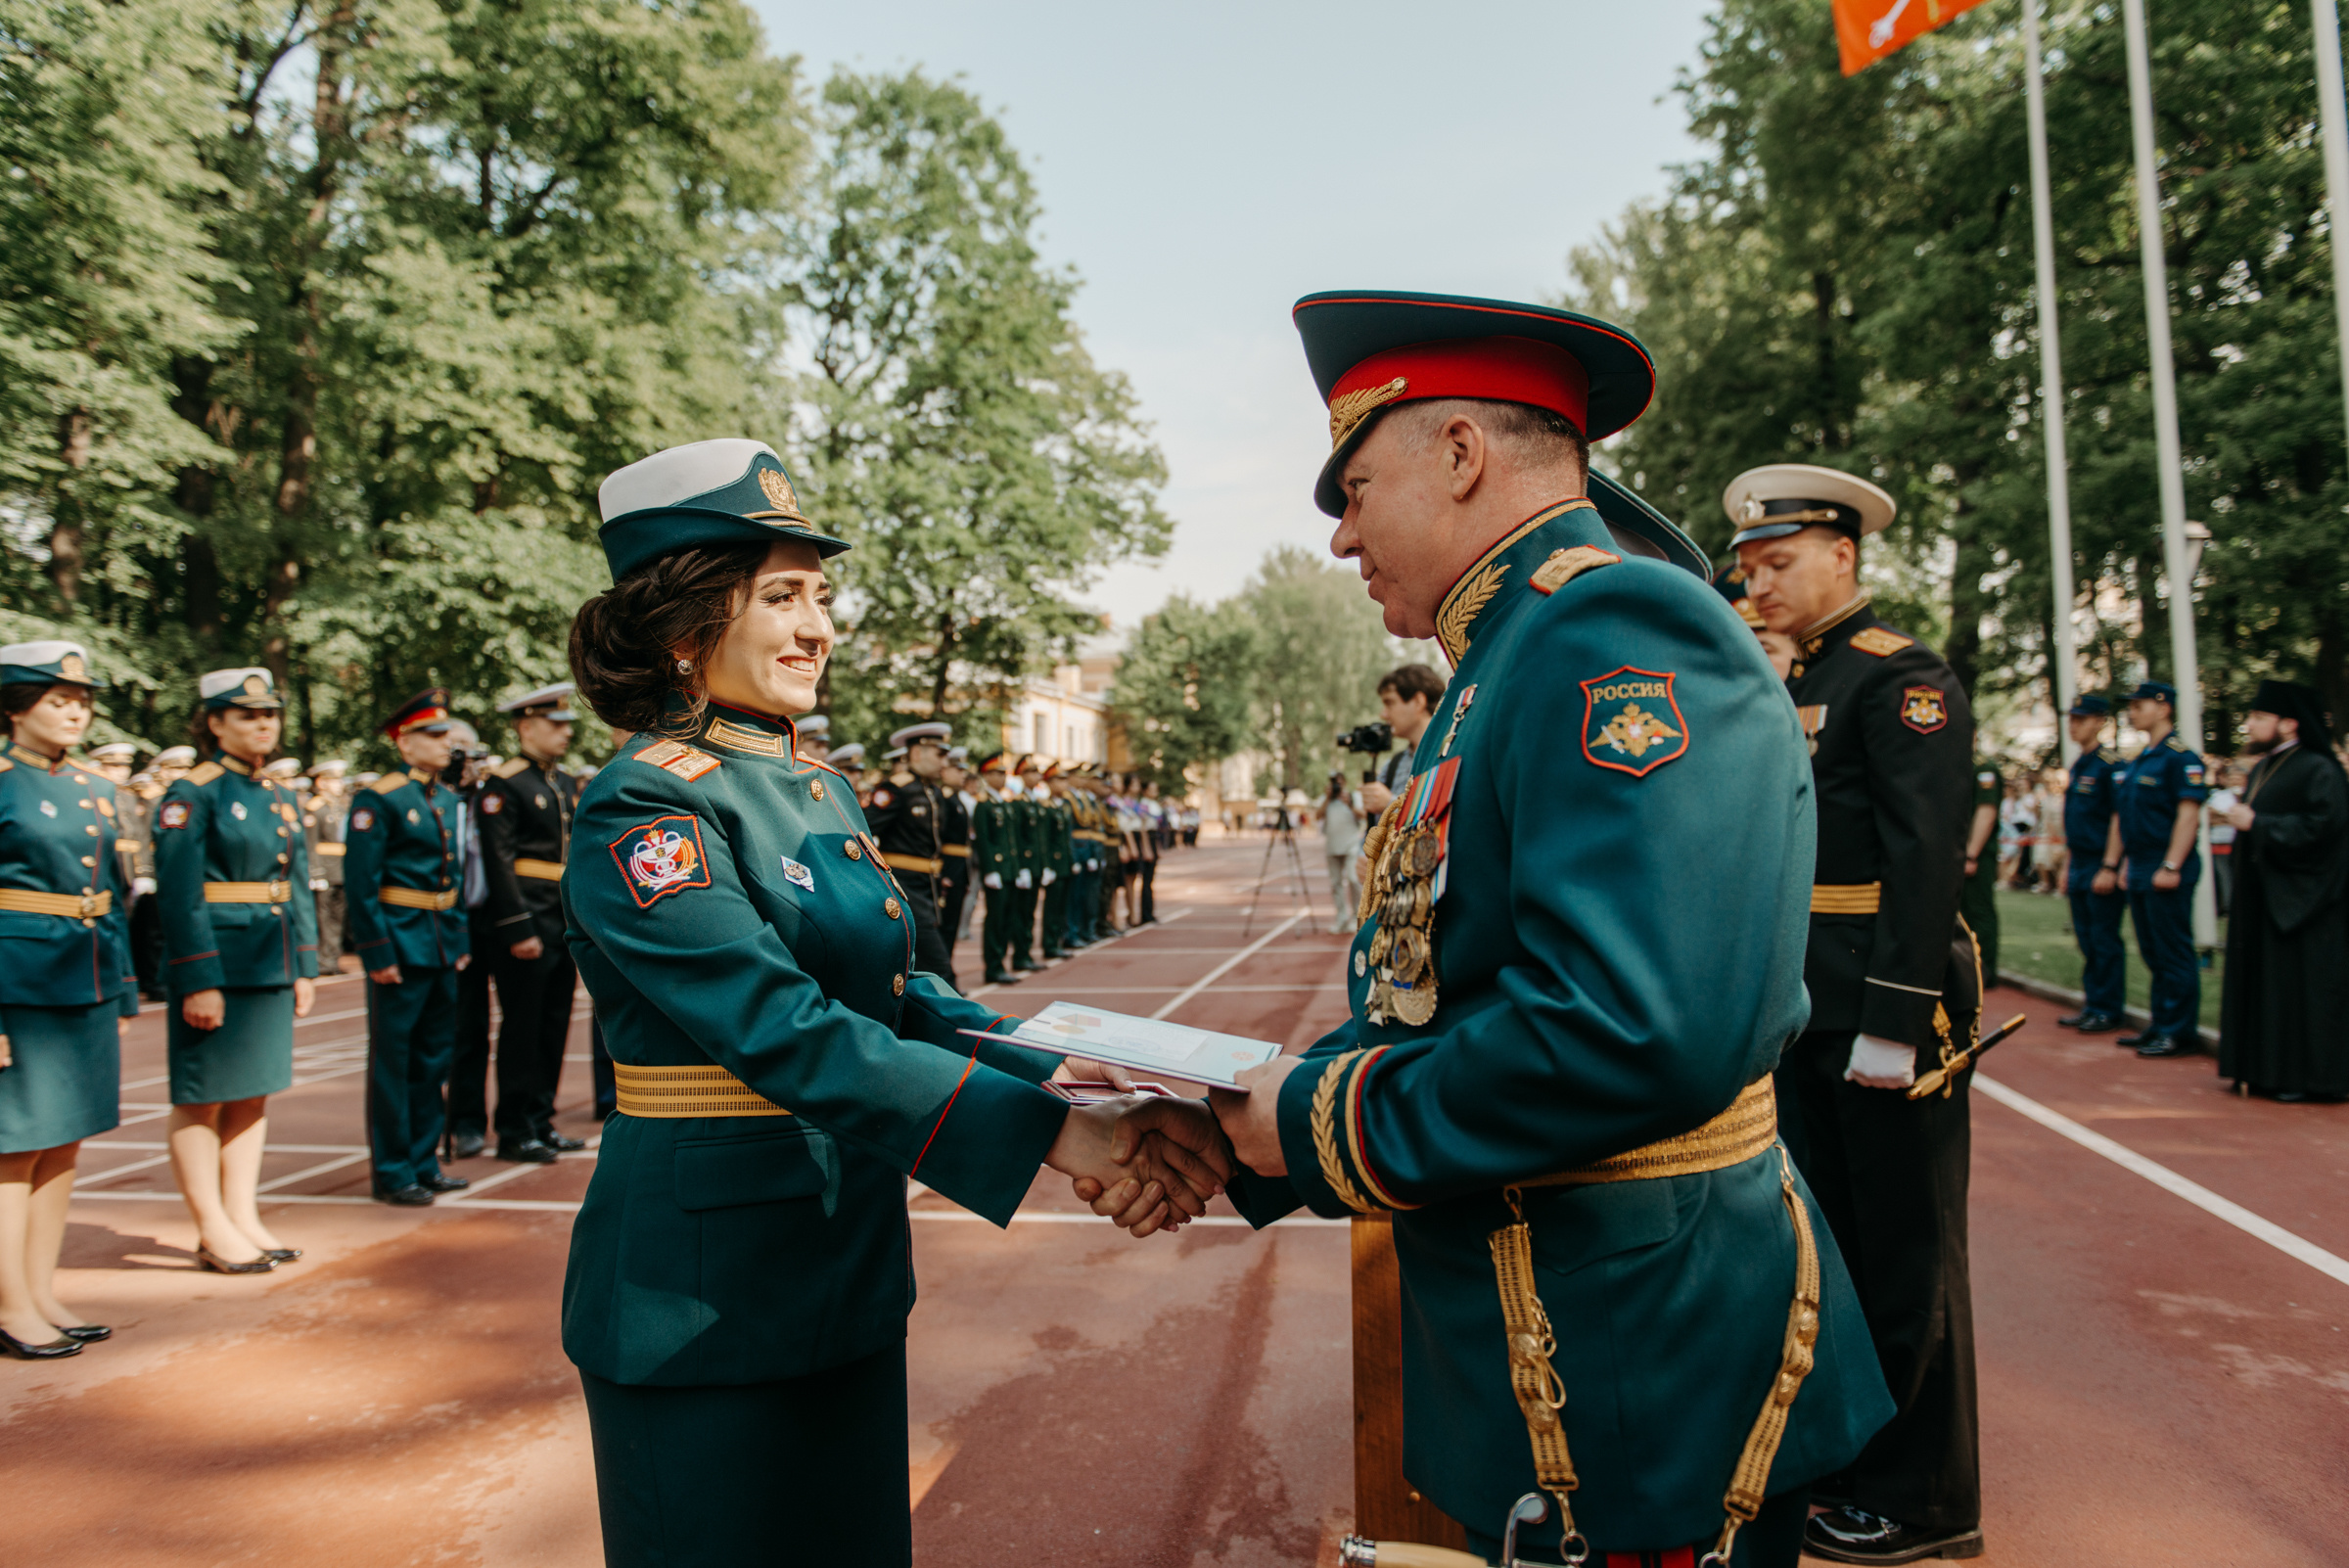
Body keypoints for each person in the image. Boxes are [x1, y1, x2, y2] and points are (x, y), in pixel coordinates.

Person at [1167, 295, 1890, 1568]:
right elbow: (1436, 995)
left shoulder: (1614, 630)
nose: (1337, 537)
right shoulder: (1509, 658)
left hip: (1635, 1362)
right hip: (1556, 1338)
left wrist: (1308, 1119)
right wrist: (1244, 1126)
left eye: (1353, 487)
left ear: (1460, 454)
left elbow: (1631, 1029)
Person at [559, 437, 1228, 1565]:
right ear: (684, 626)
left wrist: (1094, 1075)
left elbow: (913, 998)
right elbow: (783, 1026)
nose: (820, 625)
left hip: (845, 1262)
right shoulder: (643, 806)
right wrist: (1069, 1138)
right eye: (782, 596)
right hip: (701, 1299)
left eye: (821, 594)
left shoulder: (815, 788)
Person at [1728, 461, 1983, 1564]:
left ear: (1844, 554)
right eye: (1747, 568)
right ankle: (1853, 1460)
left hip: (1882, 1012)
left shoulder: (1898, 678)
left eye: (1778, 563)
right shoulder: (1797, 679)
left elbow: (1928, 862)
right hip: (1809, 1007)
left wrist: (1892, 1018)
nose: (1759, 585)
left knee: (1906, 1253)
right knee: (1833, 1246)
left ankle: (1927, 1498)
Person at [154, 668, 319, 1274]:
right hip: (219, 963)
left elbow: (295, 885)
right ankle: (211, 1225)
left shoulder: (278, 793)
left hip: (268, 959)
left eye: (269, 714)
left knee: (252, 1094)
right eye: (247, 715)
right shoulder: (192, 793)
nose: (263, 725)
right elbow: (178, 894)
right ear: (214, 723)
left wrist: (304, 964)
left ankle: (242, 1214)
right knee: (203, 1096)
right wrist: (199, 977)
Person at [0, 642, 137, 1358]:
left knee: (62, 1139)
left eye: (82, 701)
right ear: (17, 708)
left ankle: (39, 1288)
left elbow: (107, 896)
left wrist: (122, 984)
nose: (75, 711)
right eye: (58, 700)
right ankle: (9, 1302)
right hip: (16, 981)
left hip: (80, 973)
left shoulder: (90, 785)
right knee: (12, 1148)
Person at [345, 689, 474, 1206]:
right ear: (405, 741)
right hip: (400, 943)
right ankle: (394, 1169)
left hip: (441, 943)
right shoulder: (380, 798)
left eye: (447, 735)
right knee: (394, 1063)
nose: (447, 744)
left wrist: (460, 937)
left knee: (433, 1058)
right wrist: (377, 953)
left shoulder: (444, 799)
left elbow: (456, 874)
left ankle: (425, 1160)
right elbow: (361, 884)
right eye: (435, 735)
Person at [459, 683, 586, 1163]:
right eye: (554, 725)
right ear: (525, 726)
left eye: (566, 725)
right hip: (526, 919)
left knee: (553, 1024)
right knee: (523, 1026)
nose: (564, 734)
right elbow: (498, 860)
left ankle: (541, 1118)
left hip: (558, 916)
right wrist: (517, 926)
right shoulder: (504, 785)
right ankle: (513, 1127)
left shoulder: (560, 782)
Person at [2217, 680, 2348, 1100]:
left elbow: (2322, 831)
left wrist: (2257, 824)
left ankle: (2307, 1077)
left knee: (2302, 993)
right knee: (2266, 988)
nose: (2250, 724)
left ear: (2289, 724)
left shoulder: (2319, 769)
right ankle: (2263, 1068)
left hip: (2303, 902)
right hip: (2263, 897)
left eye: (2259, 717)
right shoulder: (2263, 767)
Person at [2102, 680, 2208, 1059]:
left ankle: (2179, 1031)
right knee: (2152, 949)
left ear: (2164, 707)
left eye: (2139, 705)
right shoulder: (2140, 759)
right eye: (2130, 706)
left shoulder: (2181, 758)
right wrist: (2123, 862)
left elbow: (2188, 815)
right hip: (2142, 863)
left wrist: (2171, 864)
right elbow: (2127, 819)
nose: (2132, 711)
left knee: (2173, 949)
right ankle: (2162, 1022)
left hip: (2167, 863)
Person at [865, 721, 958, 989]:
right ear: (917, 753)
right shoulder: (897, 788)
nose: (945, 761)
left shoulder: (934, 791)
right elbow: (862, 828)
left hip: (930, 885)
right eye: (939, 754)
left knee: (923, 964)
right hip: (905, 886)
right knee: (940, 966)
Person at [2055, 696, 2127, 1034]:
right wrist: (2069, 866)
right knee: (2085, 937)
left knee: (2103, 937)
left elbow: (2118, 817)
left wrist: (2110, 865)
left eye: (2081, 719)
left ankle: (2108, 1008)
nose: (2074, 725)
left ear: (2100, 721)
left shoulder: (2110, 764)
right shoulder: (2080, 764)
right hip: (2081, 860)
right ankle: (2094, 1003)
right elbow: (2075, 822)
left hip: (2100, 860)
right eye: (2071, 718)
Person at [1359, 664, 1446, 818]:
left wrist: (1390, 805)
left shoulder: (1450, 754)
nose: (1383, 714)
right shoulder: (1393, 765)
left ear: (1419, 701)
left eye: (1389, 703)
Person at [970, 752, 1024, 985]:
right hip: (997, 871)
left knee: (1007, 919)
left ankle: (1001, 962)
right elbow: (984, 840)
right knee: (996, 920)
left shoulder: (1004, 802)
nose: (1003, 778)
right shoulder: (984, 805)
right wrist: (990, 869)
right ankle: (993, 967)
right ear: (986, 775)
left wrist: (1018, 867)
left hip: (1010, 869)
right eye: (998, 774)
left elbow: (1013, 840)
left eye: (1004, 774)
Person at [1960, 757, 2002, 982]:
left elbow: (1986, 812)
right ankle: (1968, 968)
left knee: (1979, 910)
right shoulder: (1960, 766)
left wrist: (1972, 853)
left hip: (1977, 855)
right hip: (1960, 854)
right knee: (1963, 911)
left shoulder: (1984, 769)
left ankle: (1985, 969)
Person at [936, 748, 974, 952]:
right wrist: (942, 872)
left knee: (952, 927)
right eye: (957, 770)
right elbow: (938, 838)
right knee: (945, 926)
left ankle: (947, 974)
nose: (963, 775)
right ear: (945, 771)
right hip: (949, 868)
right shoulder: (944, 798)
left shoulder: (957, 799)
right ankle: (944, 977)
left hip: (959, 868)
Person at [1319, 773, 1364, 934]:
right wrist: (1327, 798)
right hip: (1332, 846)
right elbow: (1317, 816)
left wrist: (1349, 804)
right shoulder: (1326, 799)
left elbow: (1364, 815)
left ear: (1344, 782)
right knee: (1336, 883)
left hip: (1350, 845)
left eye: (1339, 782)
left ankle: (1356, 917)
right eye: (1333, 782)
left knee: (1353, 879)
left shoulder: (1352, 796)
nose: (1337, 785)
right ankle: (1341, 918)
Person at [2206, 761, 2242, 916]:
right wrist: (2231, 818)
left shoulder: (2248, 793)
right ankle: (2226, 906)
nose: (2234, 780)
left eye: (2238, 777)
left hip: (2239, 842)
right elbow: (2209, 817)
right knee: (2222, 876)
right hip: (2218, 842)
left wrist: (2220, 815)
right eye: (2231, 777)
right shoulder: (2218, 796)